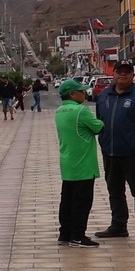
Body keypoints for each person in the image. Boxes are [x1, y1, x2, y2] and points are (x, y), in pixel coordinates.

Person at [92, 60, 135, 240]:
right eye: (119, 71)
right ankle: (118, 225)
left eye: (127, 72)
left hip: (134, 153)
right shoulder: (105, 95)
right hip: (110, 152)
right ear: (113, 74)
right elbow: (100, 119)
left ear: (133, 75)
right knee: (114, 191)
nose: (122, 74)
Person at [55, 78, 105, 247]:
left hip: (67, 162)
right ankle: (78, 235)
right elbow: (98, 127)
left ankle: (65, 234)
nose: (83, 94)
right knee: (82, 202)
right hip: (83, 164)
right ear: (71, 94)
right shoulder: (80, 111)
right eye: (80, 91)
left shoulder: (60, 111)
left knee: (67, 200)